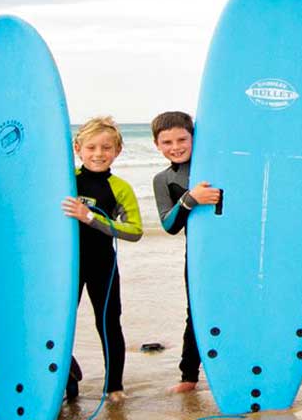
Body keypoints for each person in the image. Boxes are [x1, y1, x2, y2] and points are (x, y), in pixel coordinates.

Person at [61, 116, 144, 402]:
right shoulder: (65, 180)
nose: (99, 154)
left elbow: (134, 231)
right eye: (92, 147)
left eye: (106, 148)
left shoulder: (120, 188)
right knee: (58, 323)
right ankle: (65, 376)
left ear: (117, 151)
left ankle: (114, 387)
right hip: (63, 267)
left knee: (108, 322)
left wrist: (91, 218)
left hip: (102, 264)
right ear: (77, 148)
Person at [150, 110, 221, 394]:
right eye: (167, 142)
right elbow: (169, 224)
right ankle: (188, 376)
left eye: (182, 139)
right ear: (157, 145)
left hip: (233, 249)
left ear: (195, 137)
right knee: (197, 311)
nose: (176, 146)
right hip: (199, 255)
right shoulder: (163, 179)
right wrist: (190, 199)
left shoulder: (218, 165)